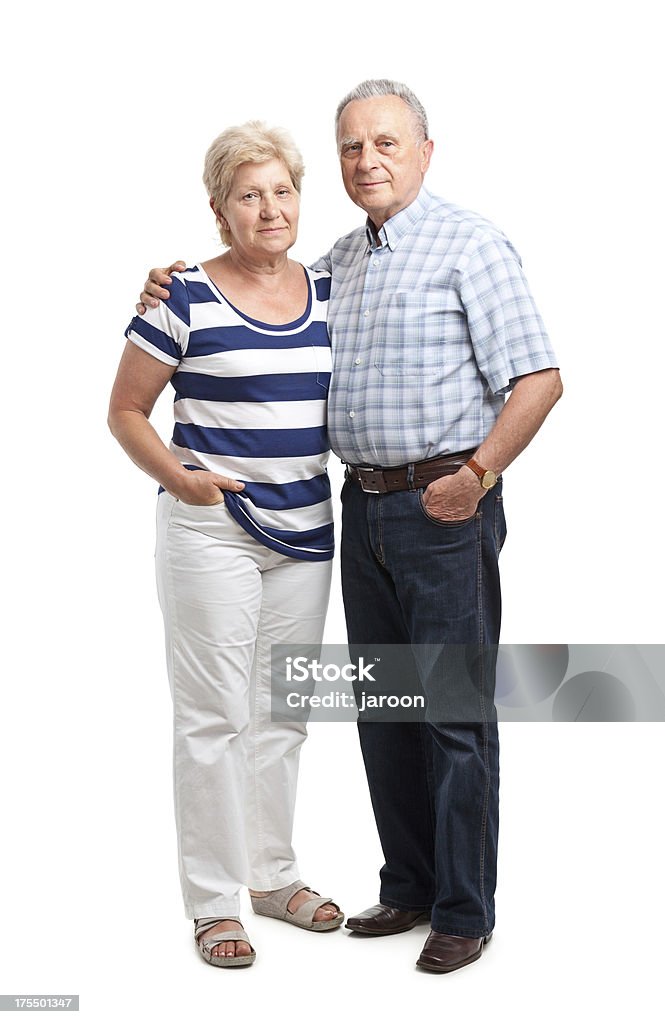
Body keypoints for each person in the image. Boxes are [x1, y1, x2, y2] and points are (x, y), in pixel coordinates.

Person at [138, 79, 563, 974]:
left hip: (443, 507)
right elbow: (230, 316)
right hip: (356, 510)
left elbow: (539, 380)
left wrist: (476, 476)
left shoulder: (469, 244)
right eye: (350, 147)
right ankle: (406, 885)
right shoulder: (338, 263)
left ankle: (461, 908)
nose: (366, 160)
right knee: (383, 709)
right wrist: (167, 283)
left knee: (448, 713)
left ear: (423, 152)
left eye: (386, 143)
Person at [109, 121, 344, 969]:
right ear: (220, 210)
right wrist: (182, 480)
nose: (269, 208)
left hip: (308, 531)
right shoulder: (180, 298)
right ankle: (212, 904)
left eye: (281, 190)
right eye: (249, 194)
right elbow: (127, 412)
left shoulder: (328, 291)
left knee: (284, 716)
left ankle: (272, 878)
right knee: (214, 718)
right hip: (212, 532)